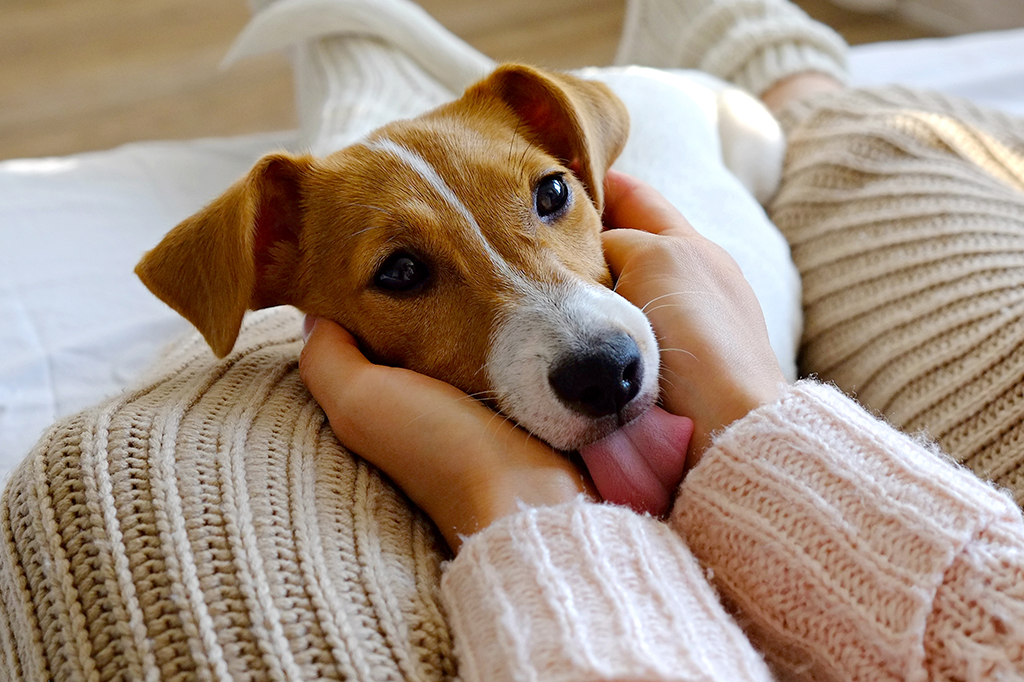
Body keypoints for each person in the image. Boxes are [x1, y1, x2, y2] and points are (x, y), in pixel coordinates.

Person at [300, 0, 1024, 679]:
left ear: (588, 172)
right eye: (404, 272)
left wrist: (508, 503)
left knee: (834, 147)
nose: (582, 344)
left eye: (550, 196)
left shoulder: (657, 121)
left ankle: (362, 72)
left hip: (701, 114)